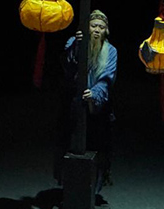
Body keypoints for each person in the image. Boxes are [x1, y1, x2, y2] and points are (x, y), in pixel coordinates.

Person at [55, 10, 118, 192]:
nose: (97, 30)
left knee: (97, 147)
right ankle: (70, 189)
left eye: (101, 27)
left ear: (106, 30)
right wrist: (78, 45)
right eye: (93, 26)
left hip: (98, 106)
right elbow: (68, 66)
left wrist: (95, 93)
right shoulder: (74, 42)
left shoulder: (111, 51)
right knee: (70, 145)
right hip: (74, 103)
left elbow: (107, 78)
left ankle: (92, 190)